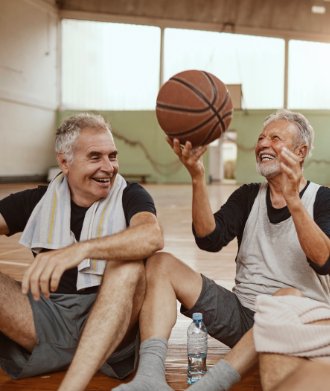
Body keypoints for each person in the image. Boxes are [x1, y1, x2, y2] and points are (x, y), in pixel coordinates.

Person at [114, 108, 330, 391]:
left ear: (300, 152)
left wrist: (293, 200)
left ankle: (209, 386)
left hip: (295, 320)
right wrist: (197, 176)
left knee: (284, 296)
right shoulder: (248, 195)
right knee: (160, 263)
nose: (263, 144)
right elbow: (209, 239)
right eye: (261, 138)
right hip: (243, 315)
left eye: (275, 138)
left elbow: (323, 258)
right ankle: (148, 378)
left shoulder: (323, 198)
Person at [0, 113, 163, 391]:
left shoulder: (130, 195)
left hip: (112, 325)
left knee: (129, 267)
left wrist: (79, 250)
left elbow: (151, 236)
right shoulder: (37, 201)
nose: (109, 167)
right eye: (95, 156)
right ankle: (66, 354)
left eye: (112, 156)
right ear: (64, 162)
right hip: (44, 318)